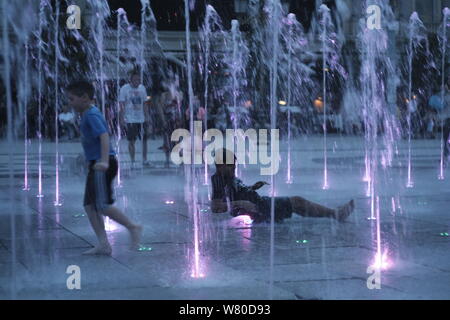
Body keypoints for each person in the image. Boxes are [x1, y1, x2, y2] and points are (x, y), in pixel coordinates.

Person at [67, 80, 143, 255]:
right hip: (97, 164)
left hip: (104, 165)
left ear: (84, 97)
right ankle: (103, 243)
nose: (69, 103)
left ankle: (133, 227)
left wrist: (103, 161)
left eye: (71, 99)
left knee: (102, 205)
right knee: (89, 205)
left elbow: (104, 136)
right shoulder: (87, 113)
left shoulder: (91, 115)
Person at [210, 149, 355, 224]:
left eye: (234, 164)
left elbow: (236, 193)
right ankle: (335, 214)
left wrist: (252, 188)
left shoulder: (227, 176)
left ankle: (333, 214)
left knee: (296, 204)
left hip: (259, 204)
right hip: (259, 208)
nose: (233, 167)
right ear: (219, 165)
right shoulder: (218, 179)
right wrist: (243, 203)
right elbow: (216, 207)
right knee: (297, 202)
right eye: (229, 165)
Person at [119, 70, 152, 169]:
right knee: (131, 141)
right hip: (130, 120)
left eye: (139, 79)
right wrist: (121, 118)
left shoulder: (142, 88)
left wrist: (147, 117)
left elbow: (145, 103)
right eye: (135, 79)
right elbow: (122, 105)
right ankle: (132, 161)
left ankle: (145, 160)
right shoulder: (124, 89)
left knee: (144, 140)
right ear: (131, 79)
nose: (137, 81)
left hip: (141, 119)